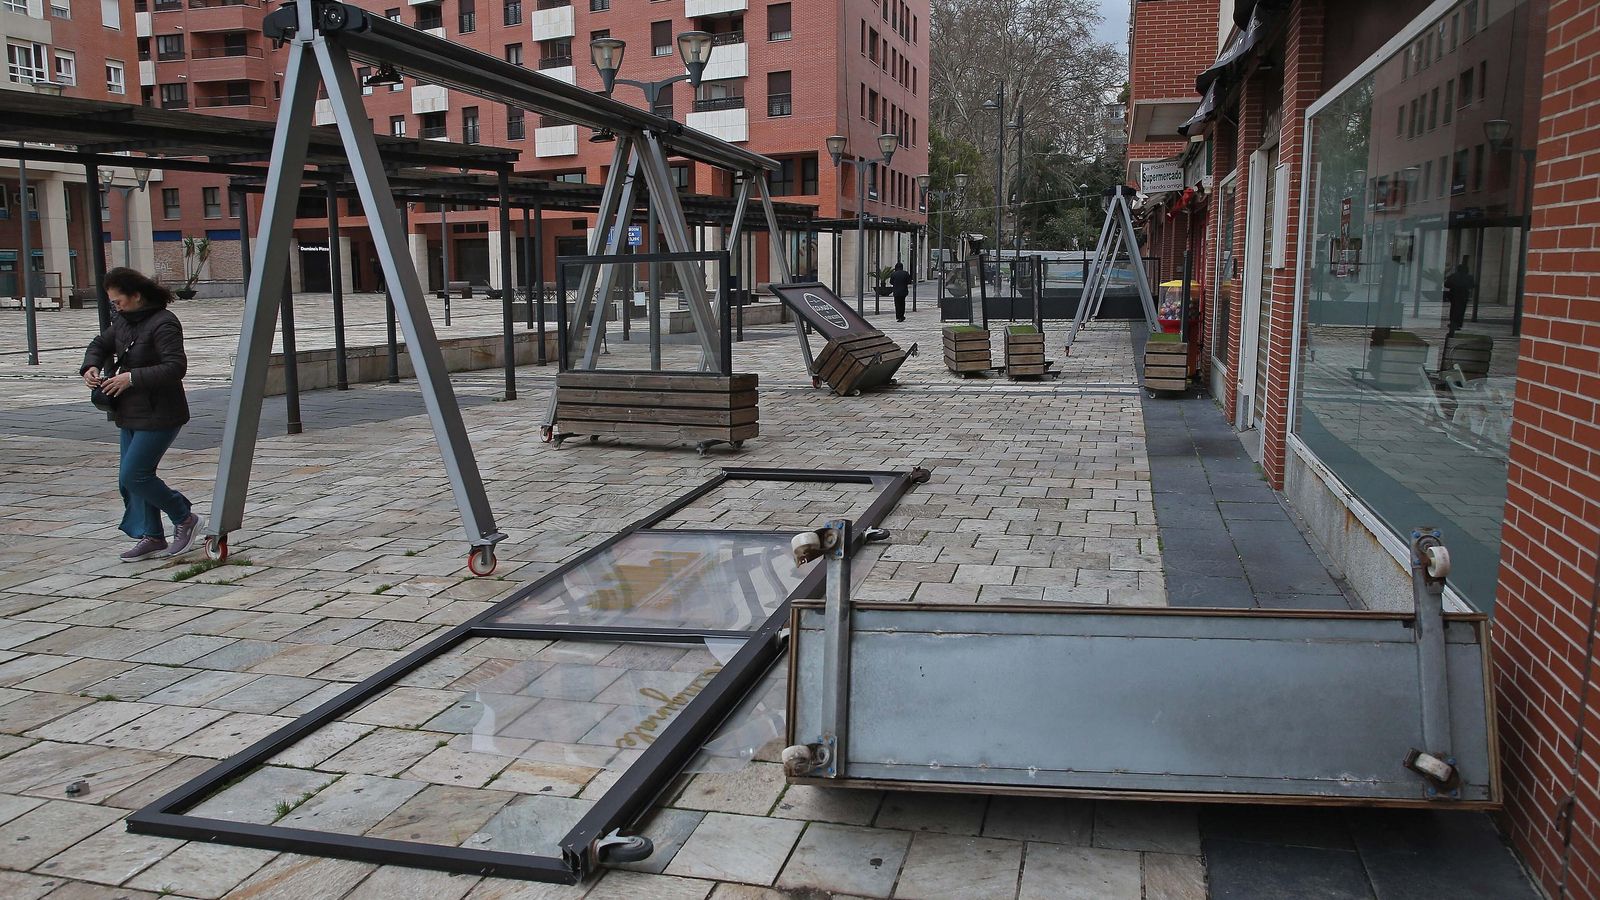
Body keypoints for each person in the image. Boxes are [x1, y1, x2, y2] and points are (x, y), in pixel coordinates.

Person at [81, 267, 201, 562]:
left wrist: (131, 378)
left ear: (136, 296)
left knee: (135, 475)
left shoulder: (164, 323)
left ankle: (184, 517)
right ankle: (153, 536)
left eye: (118, 301)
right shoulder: (122, 321)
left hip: (161, 412)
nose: (115, 306)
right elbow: (100, 343)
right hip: (130, 412)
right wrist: (91, 366)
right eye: (112, 302)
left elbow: (176, 367)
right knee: (131, 479)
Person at [1444, 257, 1476, 334]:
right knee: (1461, 310)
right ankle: (1458, 323)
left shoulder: (1453, 276)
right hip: (1463, 296)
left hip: (1454, 295)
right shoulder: (1469, 277)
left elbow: (1447, 284)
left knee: (1454, 309)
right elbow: (1472, 285)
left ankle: (1453, 322)